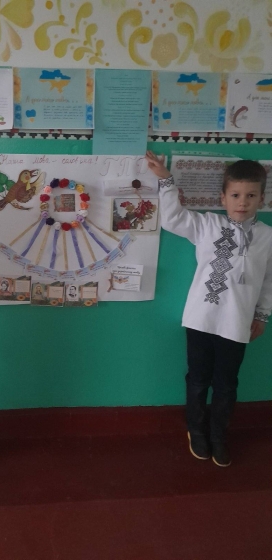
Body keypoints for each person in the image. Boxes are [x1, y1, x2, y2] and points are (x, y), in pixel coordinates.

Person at [146, 151, 272, 467]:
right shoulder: (208, 225)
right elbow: (173, 218)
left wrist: (262, 314)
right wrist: (165, 180)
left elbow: (269, 280)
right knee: (198, 379)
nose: (242, 202)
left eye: (251, 195)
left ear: (262, 198)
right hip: (201, 319)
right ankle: (196, 429)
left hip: (238, 323)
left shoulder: (267, 237)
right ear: (223, 197)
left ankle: (218, 435)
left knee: (227, 383)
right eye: (235, 195)